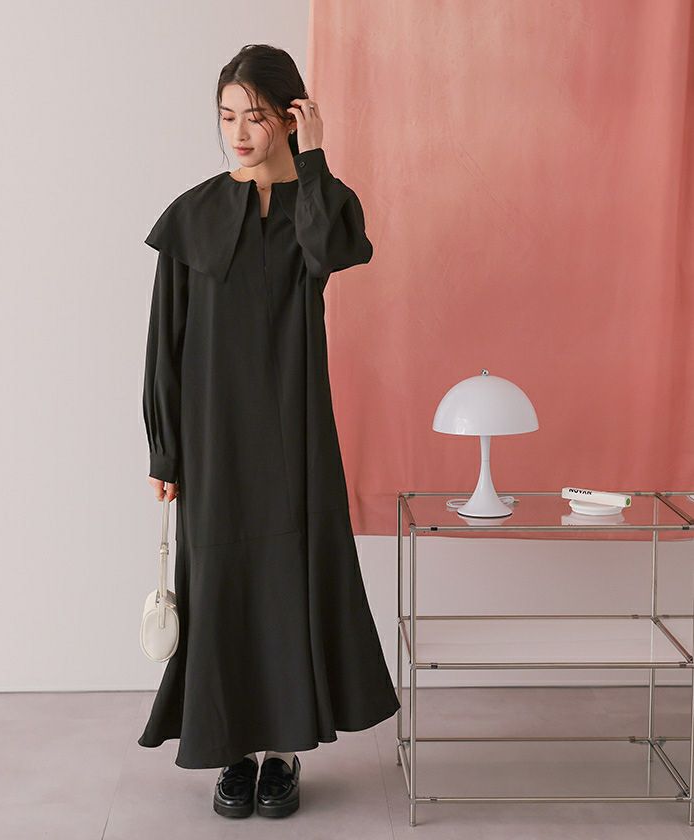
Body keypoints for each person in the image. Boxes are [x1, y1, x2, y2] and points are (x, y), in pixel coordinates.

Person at [139, 43, 400, 820]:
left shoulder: (315, 205)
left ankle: (284, 750)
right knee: (220, 584)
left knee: (289, 580)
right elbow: (164, 340)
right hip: (213, 440)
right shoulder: (192, 216)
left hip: (294, 434)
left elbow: (334, 251)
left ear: (289, 116)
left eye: (255, 117)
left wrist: (314, 158)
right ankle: (234, 750)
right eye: (227, 117)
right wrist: (164, 447)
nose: (239, 133)